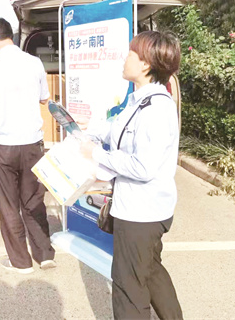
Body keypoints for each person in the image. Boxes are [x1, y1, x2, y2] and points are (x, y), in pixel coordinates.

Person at [79, 31, 183, 319]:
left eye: (130, 54)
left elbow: (142, 166)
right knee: (150, 272)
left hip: (141, 213)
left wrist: (96, 154)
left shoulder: (156, 109)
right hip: (142, 209)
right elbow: (118, 130)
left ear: (146, 65)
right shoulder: (141, 102)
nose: (124, 59)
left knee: (129, 287)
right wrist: (88, 127)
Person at [0, 17, 55, 274]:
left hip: (3, 145)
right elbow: (44, 98)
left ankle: (21, 262)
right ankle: (44, 254)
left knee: (8, 204)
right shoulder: (34, 62)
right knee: (34, 199)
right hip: (32, 143)